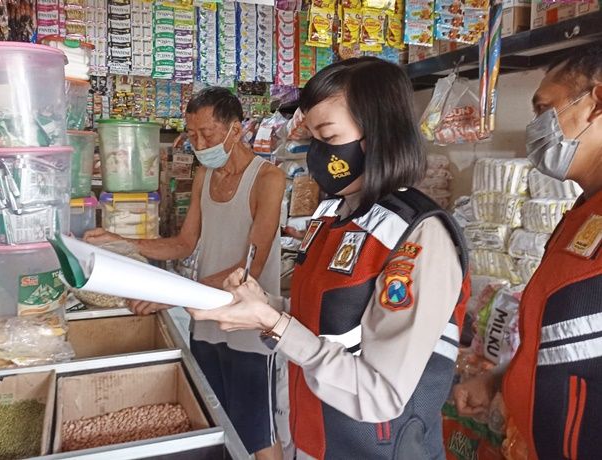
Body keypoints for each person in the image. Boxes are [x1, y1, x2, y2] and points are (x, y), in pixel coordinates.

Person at [189, 57, 471, 459]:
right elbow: (325, 319)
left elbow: (380, 395)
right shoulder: (333, 217)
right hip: (312, 441)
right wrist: (262, 305)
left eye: (328, 135)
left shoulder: (419, 236)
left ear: (377, 135)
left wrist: (275, 323)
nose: (317, 153)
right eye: (314, 138)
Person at [85, 87, 285, 459]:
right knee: (215, 416)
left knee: (258, 430)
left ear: (235, 130)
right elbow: (183, 243)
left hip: (250, 325)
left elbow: (249, 269)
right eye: (191, 134)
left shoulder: (267, 179)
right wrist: (120, 240)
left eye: (206, 134)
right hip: (205, 321)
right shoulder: (205, 176)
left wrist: (174, 293)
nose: (198, 142)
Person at [454, 46, 602, 458]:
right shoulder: (582, 212)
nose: (535, 126)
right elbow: (564, 341)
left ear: (597, 103)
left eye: (544, 109)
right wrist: (501, 379)